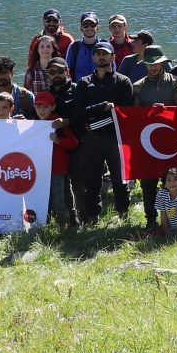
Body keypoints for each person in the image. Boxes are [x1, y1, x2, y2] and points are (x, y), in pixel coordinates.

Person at [70, 41, 134, 224]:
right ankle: (93, 218)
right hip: (91, 140)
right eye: (98, 54)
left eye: (105, 54)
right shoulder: (84, 82)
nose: (101, 57)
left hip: (115, 139)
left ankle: (123, 214)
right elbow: (77, 112)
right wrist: (101, 108)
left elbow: (125, 113)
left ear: (113, 57)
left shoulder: (122, 81)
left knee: (120, 181)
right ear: (93, 58)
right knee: (91, 182)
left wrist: (94, 117)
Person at [131, 45, 177, 229]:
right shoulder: (137, 87)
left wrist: (165, 111)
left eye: (157, 63)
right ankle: (151, 219)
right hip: (147, 142)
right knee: (148, 183)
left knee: (175, 182)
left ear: (164, 62)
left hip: (173, 141)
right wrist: (150, 113)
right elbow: (133, 116)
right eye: (149, 64)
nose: (154, 67)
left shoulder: (176, 83)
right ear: (145, 65)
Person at [33, 91, 78, 229]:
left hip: (58, 169)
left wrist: (58, 141)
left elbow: (74, 143)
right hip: (40, 169)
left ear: (52, 107)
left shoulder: (58, 124)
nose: (41, 110)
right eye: (38, 106)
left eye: (45, 107)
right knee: (43, 198)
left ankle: (64, 224)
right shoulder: (32, 124)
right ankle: (43, 223)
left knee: (59, 198)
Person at [65, 14, 103, 80]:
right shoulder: (74, 47)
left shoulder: (104, 45)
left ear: (97, 27)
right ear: (81, 28)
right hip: (79, 87)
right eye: (85, 25)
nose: (89, 28)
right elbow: (67, 70)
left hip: (101, 87)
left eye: (92, 25)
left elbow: (112, 69)